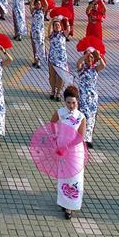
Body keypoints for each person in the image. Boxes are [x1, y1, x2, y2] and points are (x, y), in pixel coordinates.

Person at [50, 86, 87, 220]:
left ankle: (71, 206)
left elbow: (80, 137)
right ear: (64, 102)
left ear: (78, 102)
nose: (71, 105)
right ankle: (64, 203)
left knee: (75, 178)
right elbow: (52, 123)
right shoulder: (60, 113)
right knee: (64, 178)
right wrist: (55, 136)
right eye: (68, 102)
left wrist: (67, 146)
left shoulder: (81, 117)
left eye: (74, 103)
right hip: (62, 151)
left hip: (75, 152)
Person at [76, 40, 106, 147]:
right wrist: (87, 54)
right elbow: (79, 63)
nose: (89, 59)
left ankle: (88, 138)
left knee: (92, 117)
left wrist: (98, 56)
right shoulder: (81, 69)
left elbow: (103, 65)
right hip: (83, 96)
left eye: (91, 58)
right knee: (83, 116)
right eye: (88, 57)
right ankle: (80, 137)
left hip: (93, 97)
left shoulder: (95, 69)